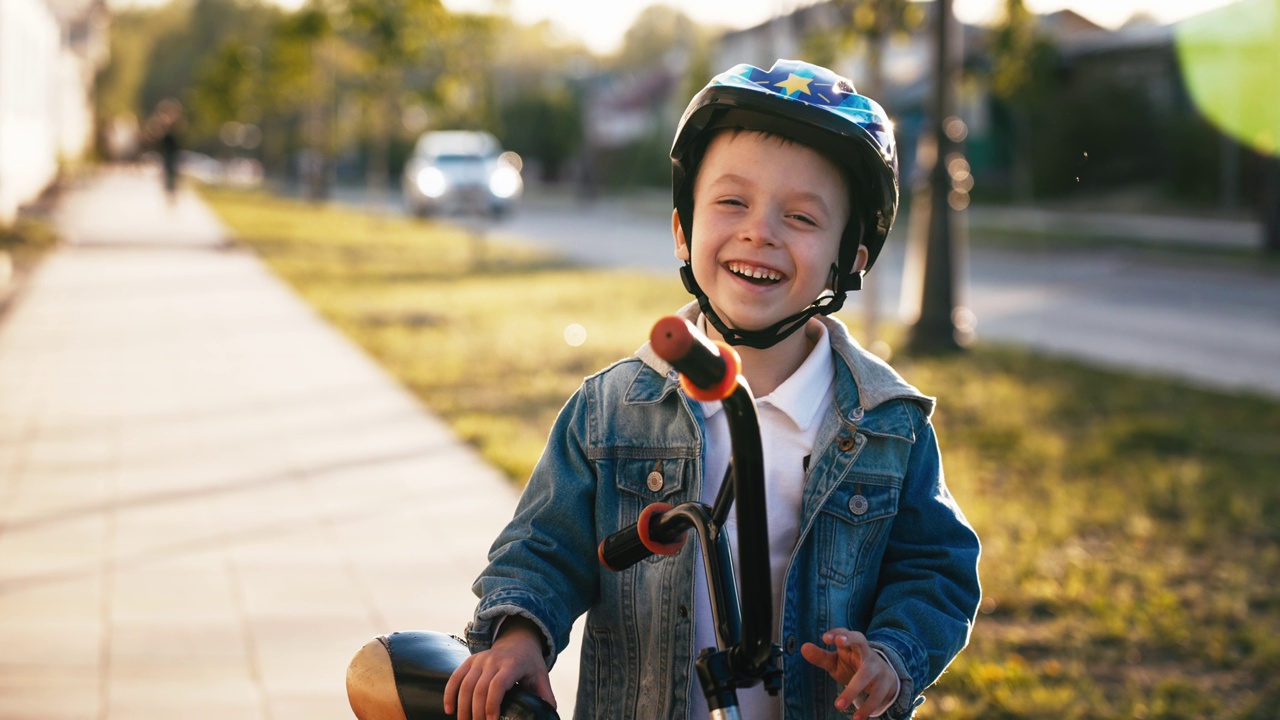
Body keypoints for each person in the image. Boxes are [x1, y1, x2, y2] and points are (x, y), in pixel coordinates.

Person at [446, 59, 980, 720]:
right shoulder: (611, 412)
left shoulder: (887, 427)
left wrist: (894, 656)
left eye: (803, 218)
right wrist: (519, 635)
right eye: (733, 202)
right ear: (682, 229)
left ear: (852, 261)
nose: (761, 230)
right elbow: (543, 549)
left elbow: (935, 569)